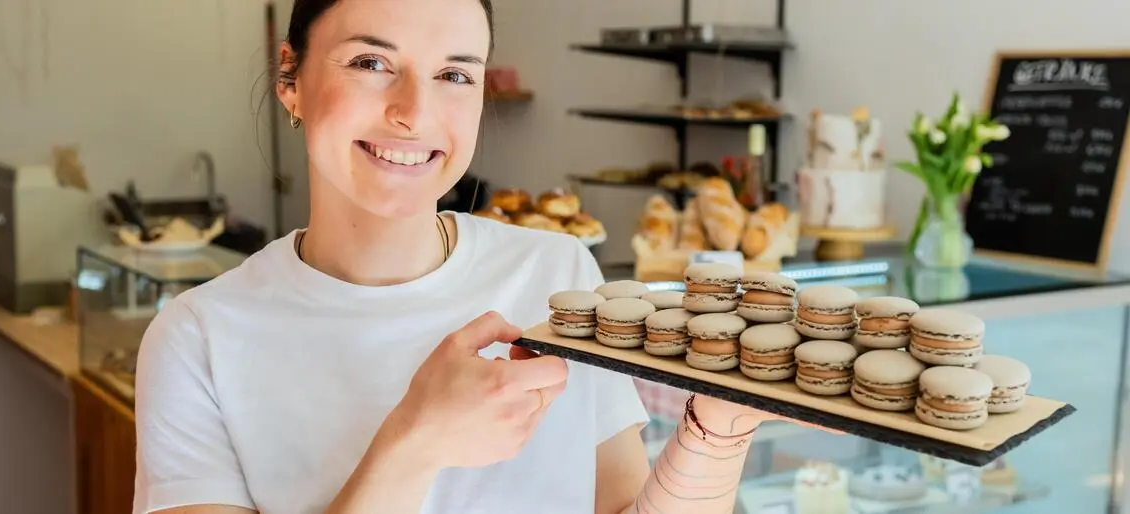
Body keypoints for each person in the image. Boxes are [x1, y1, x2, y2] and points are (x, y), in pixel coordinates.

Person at [132, 0, 826, 512]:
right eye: (372, 63)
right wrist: (413, 441)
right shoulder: (199, 339)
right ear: (291, 79)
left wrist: (716, 430)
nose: (415, 111)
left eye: (455, 75)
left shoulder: (559, 279)